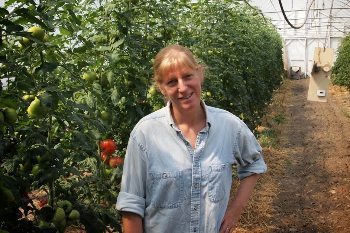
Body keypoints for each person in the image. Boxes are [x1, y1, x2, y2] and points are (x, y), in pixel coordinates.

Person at [116, 44, 267, 233]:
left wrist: (235, 211)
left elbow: (254, 164)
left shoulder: (229, 126)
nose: (182, 87)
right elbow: (131, 205)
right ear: (162, 88)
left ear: (200, 74)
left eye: (188, 76)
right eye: (172, 82)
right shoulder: (145, 133)